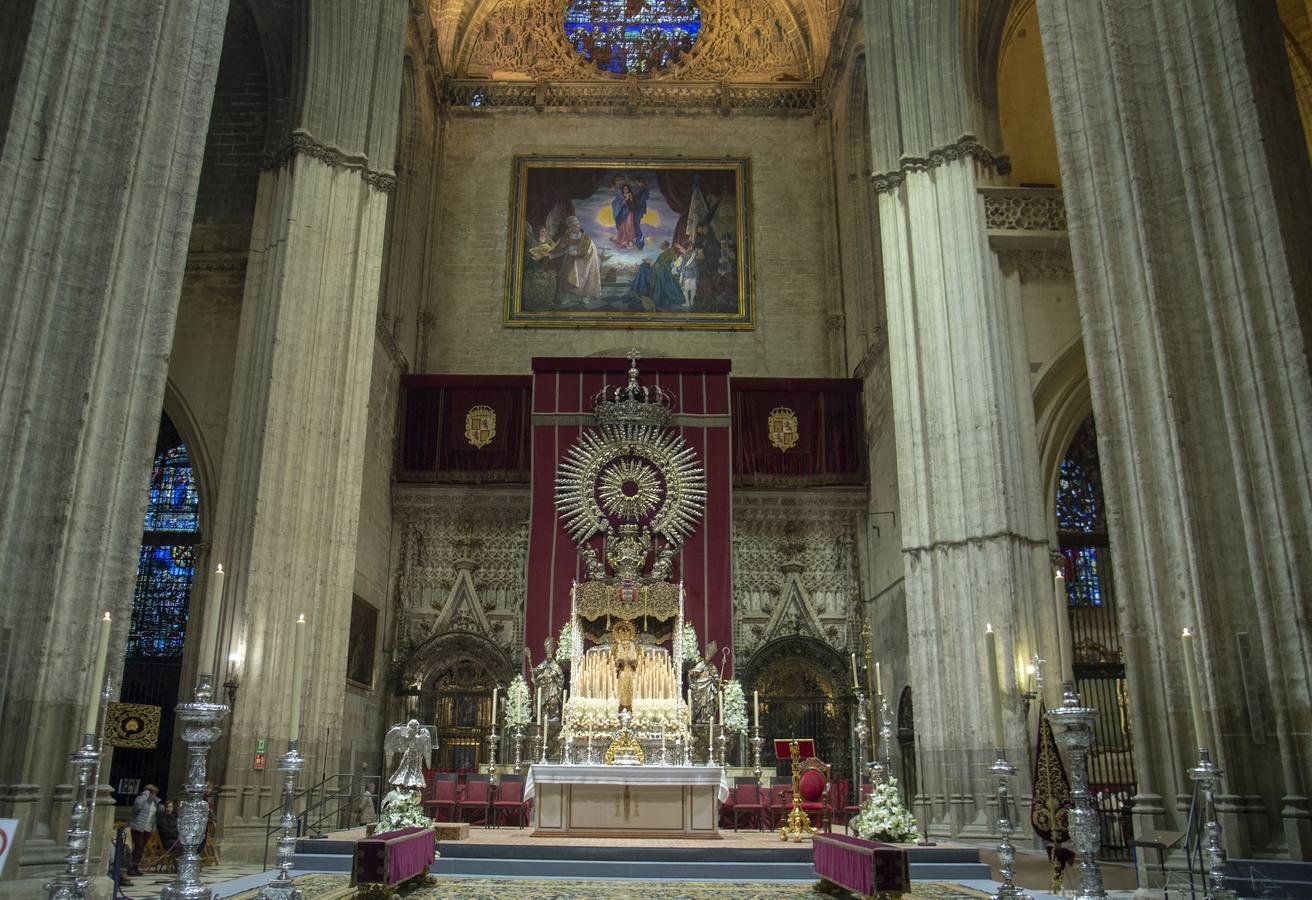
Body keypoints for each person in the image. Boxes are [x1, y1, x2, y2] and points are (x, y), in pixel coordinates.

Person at [549, 215, 601, 307]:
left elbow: (589, 249)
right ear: (570, 227)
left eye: (578, 225)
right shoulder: (566, 237)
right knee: (565, 277)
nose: (577, 227)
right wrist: (551, 253)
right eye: (574, 226)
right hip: (569, 261)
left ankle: (584, 297)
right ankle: (567, 297)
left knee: (585, 279)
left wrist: (577, 253)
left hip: (584, 263)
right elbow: (560, 247)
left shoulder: (586, 238)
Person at [531, 635, 565, 722]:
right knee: (544, 703)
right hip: (543, 688)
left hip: (552, 687)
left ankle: (553, 715)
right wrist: (534, 670)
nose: (549, 656)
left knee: (553, 702)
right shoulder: (544, 663)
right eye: (548, 654)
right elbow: (537, 670)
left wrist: (553, 675)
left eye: (550, 654)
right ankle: (544, 715)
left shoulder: (555, 665)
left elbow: (561, 676)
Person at [127, 783, 158, 875]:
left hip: (148, 828)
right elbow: (137, 805)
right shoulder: (141, 799)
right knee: (138, 847)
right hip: (138, 827)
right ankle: (131, 867)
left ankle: (135, 867)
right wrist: (145, 794)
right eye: (152, 793)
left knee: (141, 848)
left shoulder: (154, 802)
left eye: (155, 793)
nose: (154, 795)